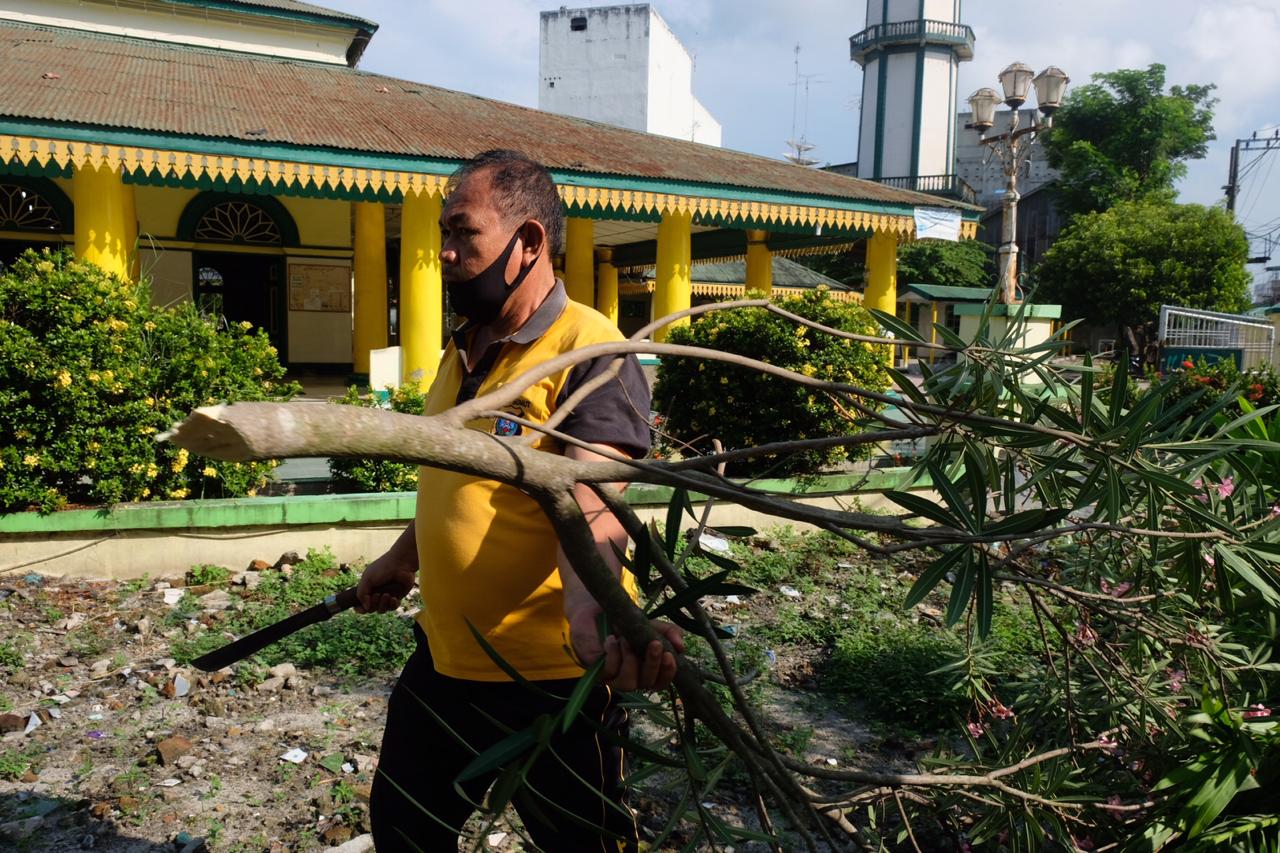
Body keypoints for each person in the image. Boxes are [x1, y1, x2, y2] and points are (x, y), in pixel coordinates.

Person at [355, 149, 683, 852]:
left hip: (550, 683)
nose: (442, 252)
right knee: (404, 830)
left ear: (529, 242)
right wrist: (401, 556)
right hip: (442, 659)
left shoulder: (590, 350)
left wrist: (595, 613)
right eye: (443, 233)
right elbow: (457, 483)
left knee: (583, 844)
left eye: (462, 233)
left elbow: (592, 502)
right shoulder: (463, 350)